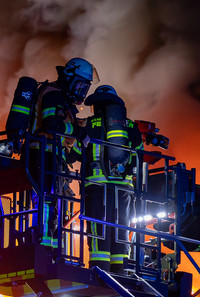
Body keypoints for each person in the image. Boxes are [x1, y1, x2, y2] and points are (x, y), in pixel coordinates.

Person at [28, 57, 95, 248]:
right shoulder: (53, 95)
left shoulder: (64, 102)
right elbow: (52, 124)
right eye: (80, 85)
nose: (81, 91)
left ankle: (52, 247)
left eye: (85, 87)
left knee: (54, 204)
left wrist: (81, 146)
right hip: (42, 155)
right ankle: (43, 246)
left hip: (53, 158)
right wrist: (78, 132)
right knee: (47, 202)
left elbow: (66, 144)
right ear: (69, 77)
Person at [77, 85, 143, 272]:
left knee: (99, 227)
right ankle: (120, 267)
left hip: (97, 186)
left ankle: (100, 267)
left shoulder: (90, 124)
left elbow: (76, 151)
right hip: (124, 188)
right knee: (121, 226)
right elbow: (140, 155)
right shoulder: (130, 126)